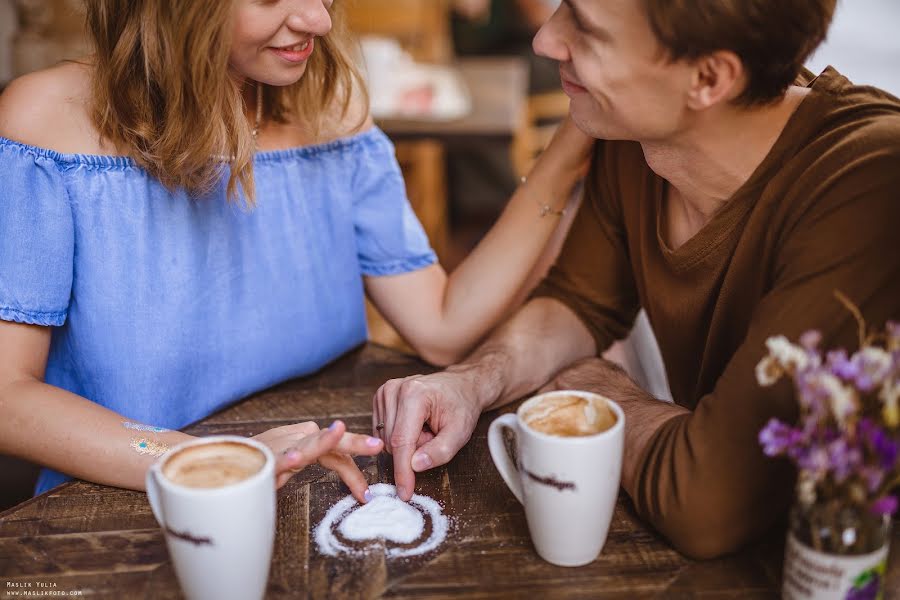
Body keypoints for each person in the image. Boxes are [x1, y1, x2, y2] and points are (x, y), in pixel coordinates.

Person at [0, 0, 589, 499]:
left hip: (316, 490)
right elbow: (9, 397)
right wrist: (219, 460)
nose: (319, 19)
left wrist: (570, 147)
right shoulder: (48, 125)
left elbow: (442, 325)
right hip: (116, 510)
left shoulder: (332, 113)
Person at [374, 0, 900, 558]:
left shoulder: (867, 179)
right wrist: (473, 381)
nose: (547, 40)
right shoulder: (643, 131)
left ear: (708, 78)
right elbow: (579, 304)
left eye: (588, 29)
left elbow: (706, 501)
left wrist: (598, 388)